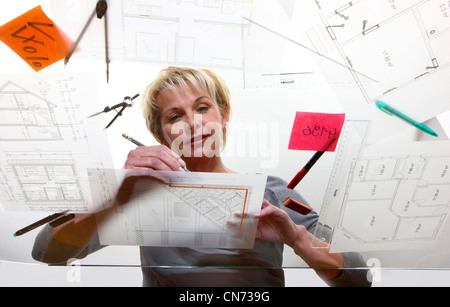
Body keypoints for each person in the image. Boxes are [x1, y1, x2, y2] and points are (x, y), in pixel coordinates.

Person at [32, 67, 371, 287]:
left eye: (203, 107)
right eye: (175, 115)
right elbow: (48, 251)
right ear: (162, 134)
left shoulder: (271, 191)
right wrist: (116, 201)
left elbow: (358, 277)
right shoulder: (142, 194)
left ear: (224, 115)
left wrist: (296, 237)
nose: (192, 124)